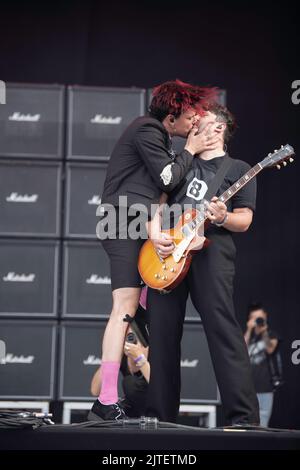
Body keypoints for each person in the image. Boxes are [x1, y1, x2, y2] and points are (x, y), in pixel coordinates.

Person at [89, 80, 218, 420]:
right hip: (121, 224)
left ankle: (119, 400)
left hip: (136, 225)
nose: (194, 122)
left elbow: (155, 193)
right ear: (172, 116)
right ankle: (104, 401)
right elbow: (166, 180)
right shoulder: (147, 129)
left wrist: (155, 230)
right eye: (190, 116)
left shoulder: (159, 139)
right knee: (124, 307)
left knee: (136, 309)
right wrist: (190, 149)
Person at [145, 102, 260, 426]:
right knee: (163, 336)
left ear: (219, 128)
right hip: (167, 252)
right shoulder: (179, 163)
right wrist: (155, 235)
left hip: (212, 251)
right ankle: (159, 417)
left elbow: (245, 221)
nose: (194, 124)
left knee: (222, 329)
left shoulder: (239, 168)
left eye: (203, 121)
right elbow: (158, 204)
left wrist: (224, 216)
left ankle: (244, 418)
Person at [90, 302, 150, 418]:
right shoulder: (120, 356)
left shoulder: (149, 349)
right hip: (132, 409)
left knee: (131, 383)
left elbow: (158, 386)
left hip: (149, 403)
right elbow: (95, 390)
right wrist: (113, 354)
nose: (126, 335)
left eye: (129, 332)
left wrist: (139, 357)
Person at [244, 302, 281, 427]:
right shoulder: (249, 336)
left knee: (263, 425)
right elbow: (241, 351)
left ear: (265, 316)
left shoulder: (271, 335)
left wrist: (264, 332)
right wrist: (249, 330)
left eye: (260, 317)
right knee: (247, 425)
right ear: (250, 319)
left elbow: (270, 349)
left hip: (265, 388)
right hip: (248, 389)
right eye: (254, 318)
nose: (258, 320)